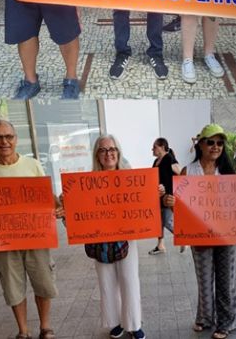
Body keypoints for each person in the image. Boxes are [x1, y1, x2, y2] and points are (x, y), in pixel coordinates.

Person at [0, 120, 62, 339]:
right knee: (12, 286)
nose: (4, 142)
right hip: (5, 240)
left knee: (43, 283)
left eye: (9, 136)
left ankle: (45, 327)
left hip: (36, 237)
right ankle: (23, 331)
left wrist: (58, 206)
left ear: (16, 139)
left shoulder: (32, 165)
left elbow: (47, 196)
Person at [163, 124, 236, 339]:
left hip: (226, 234)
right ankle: (205, 318)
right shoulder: (188, 171)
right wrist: (171, 203)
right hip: (199, 234)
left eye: (220, 143)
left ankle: (226, 322)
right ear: (200, 144)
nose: (216, 147)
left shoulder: (228, 171)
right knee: (204, 280)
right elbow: (181, 207)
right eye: (211, 142)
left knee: (226, 280)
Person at [80, 135, 145, 339]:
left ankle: (133, 324)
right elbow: (79, 214)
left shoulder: (130, 177)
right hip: (100, 240)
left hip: (127, 238)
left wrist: (157, 192)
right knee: (106, 282)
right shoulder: (87, 182)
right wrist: (67, 206)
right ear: (97, 155)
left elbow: (144, 202)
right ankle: (115, 322)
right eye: (103, 150)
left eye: (112, 149)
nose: (108, 153)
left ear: (118, 152)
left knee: (129, 280)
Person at [149, 138, 181, 255]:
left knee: (167, 221)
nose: (152, 149)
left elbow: (180, 172)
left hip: (167, 197)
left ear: (162, 147)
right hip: (158, 196)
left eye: (154, 147)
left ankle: (184, 237)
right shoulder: (156, 161)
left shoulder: (168, 158)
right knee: (159, 222)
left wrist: (171, 191)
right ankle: (160, 245)